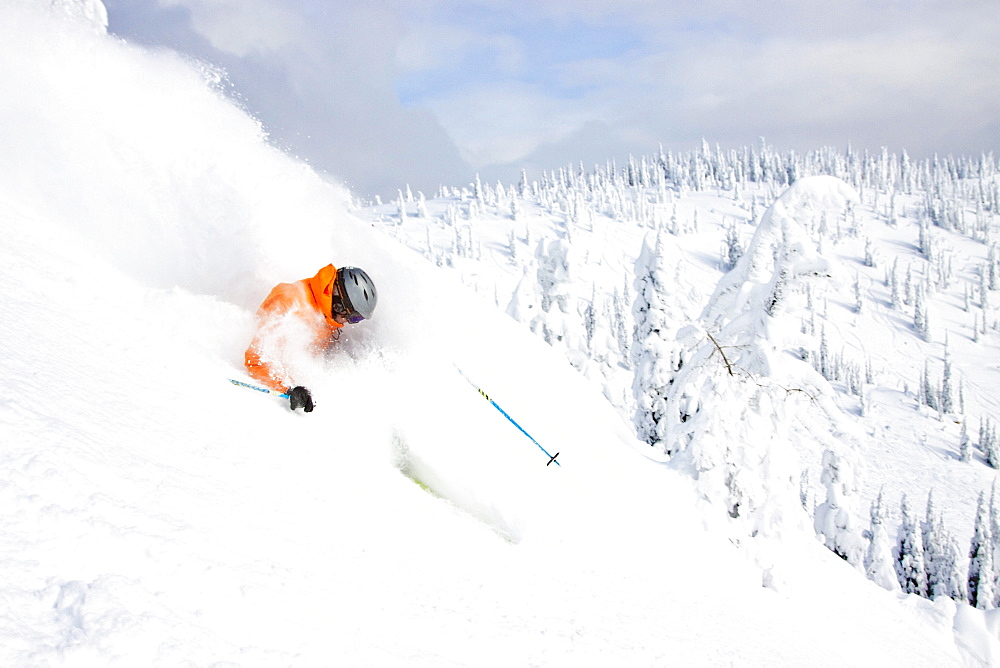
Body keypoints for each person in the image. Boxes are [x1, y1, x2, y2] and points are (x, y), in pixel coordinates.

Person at [244, 264, 377, 412]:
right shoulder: (289, 303)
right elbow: (257, 359)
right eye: (354, 317)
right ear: (339, 303)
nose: (350, 323)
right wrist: (289, 389)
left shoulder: (327, 314)